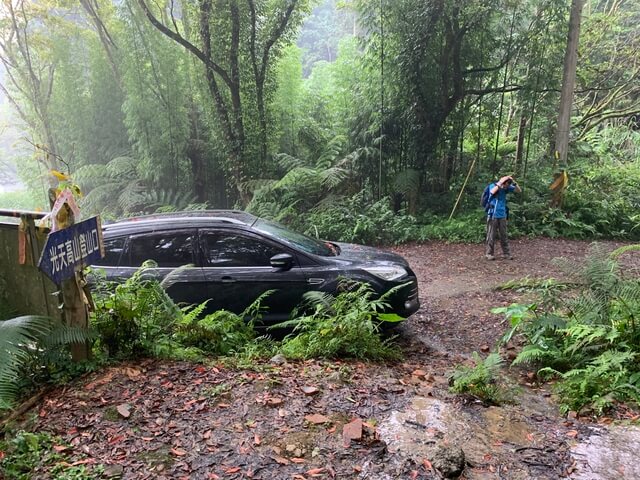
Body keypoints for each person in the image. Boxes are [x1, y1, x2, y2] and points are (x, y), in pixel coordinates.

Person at [485, 175, 521, 260]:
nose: (507, 187)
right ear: (503, 183)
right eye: (506, 185)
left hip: (502, 215)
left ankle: (507, 254)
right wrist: (500, 183)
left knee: (504, 235)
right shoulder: (493, 186)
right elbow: (492, 192)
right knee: (491, 235)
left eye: (508, 185)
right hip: (493, 214)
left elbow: (519, 190)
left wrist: (514, 182)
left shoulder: (507, 188)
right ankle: (489, 253)